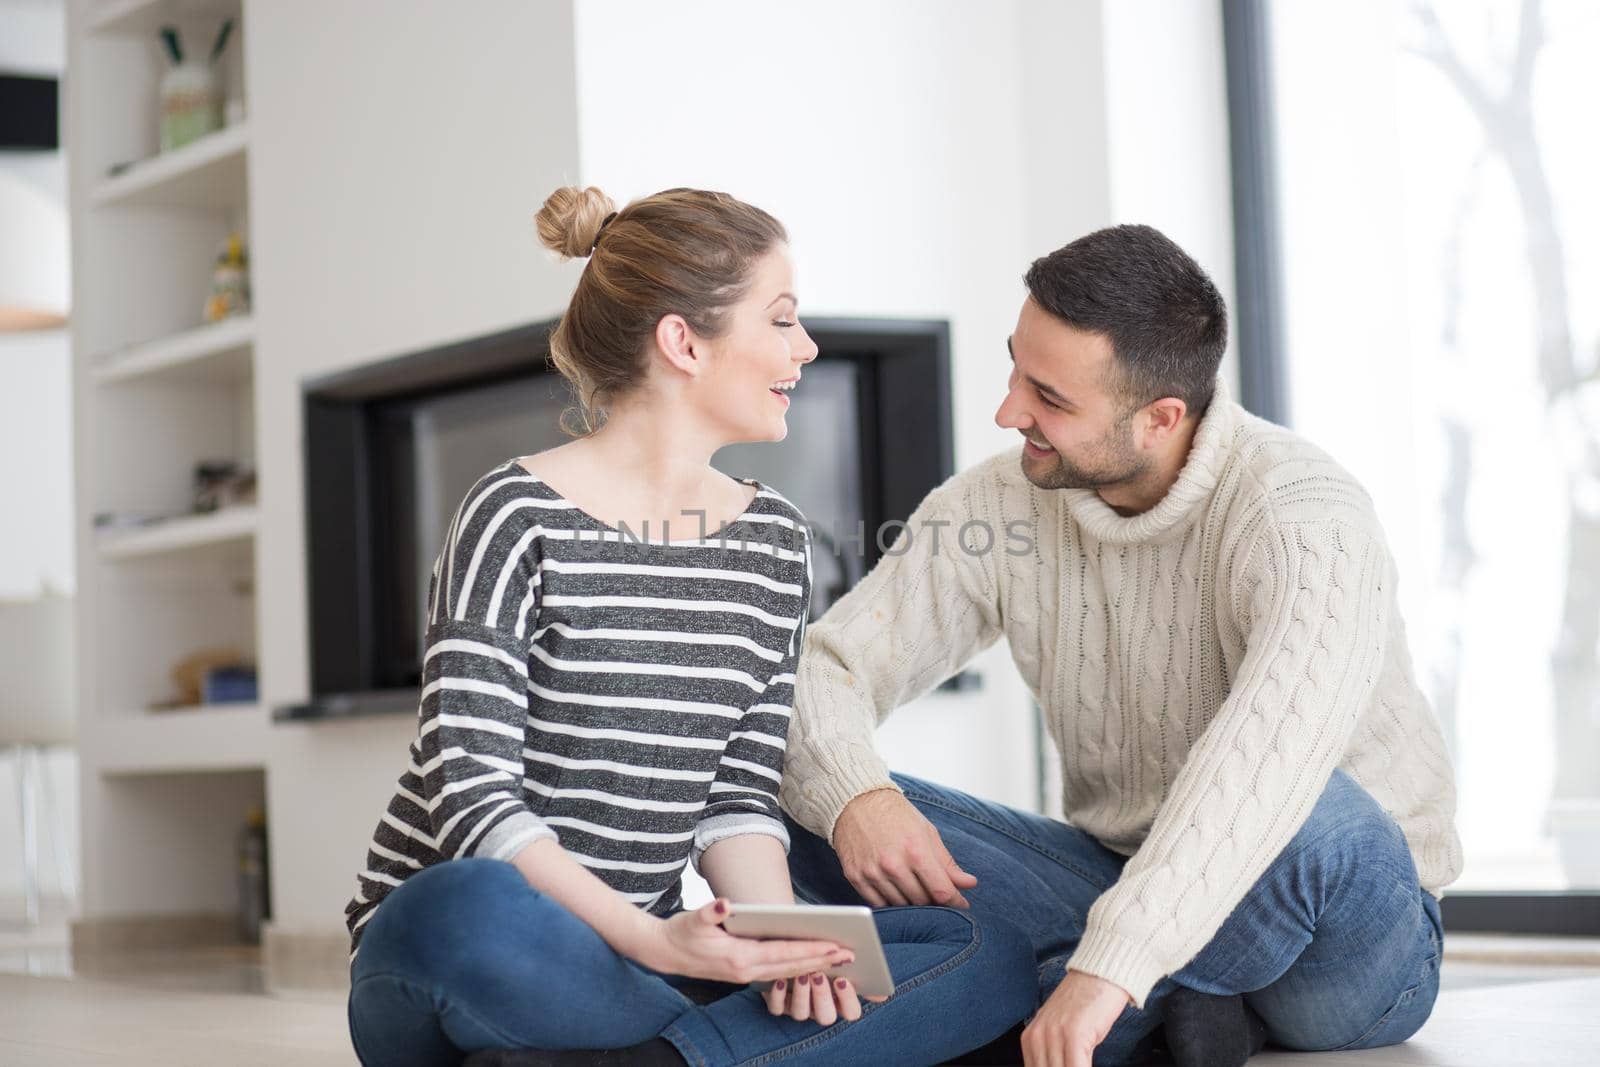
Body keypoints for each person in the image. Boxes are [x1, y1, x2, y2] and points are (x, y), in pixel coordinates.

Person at [341, 185, 1036, 1067]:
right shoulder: (511, 514)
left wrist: (780, 943)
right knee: (463, 905)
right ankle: (703, 1048)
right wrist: (659, 943)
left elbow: (736, 796)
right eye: (781, 321)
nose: (806, 348)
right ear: (683, 341)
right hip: (487, 950)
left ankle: (656, 1057)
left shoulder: (774, 542)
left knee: (983, 950)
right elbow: (473, 796)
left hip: (633, 964)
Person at [779, 224, 1463, 1067]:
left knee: (1321, 814)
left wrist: (1109, 964)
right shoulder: (1001, 503)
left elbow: (1264, 773)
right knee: (800, 789)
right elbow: (823, 668)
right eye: (1016, 370)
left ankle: (1082, 998)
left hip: (1346, 936)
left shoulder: (1302, 516)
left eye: (1051, 398)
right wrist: (857, 799)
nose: (1007, 412)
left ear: (1160, 418)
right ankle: (1175, 1007)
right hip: (1117, 880)